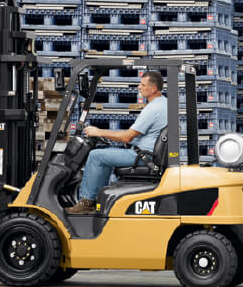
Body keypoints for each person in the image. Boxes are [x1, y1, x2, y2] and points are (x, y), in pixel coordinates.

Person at [66, 71, 168, 214]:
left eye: (143, 85)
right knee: (105, 156)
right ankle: (98, 202)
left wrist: (98, 132)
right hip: (147, 153)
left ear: (153, 89)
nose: (139, 87)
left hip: (144, 157)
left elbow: (127, 136)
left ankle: (87, 202)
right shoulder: (164, 103)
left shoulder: (153, 108)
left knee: (96, 156)